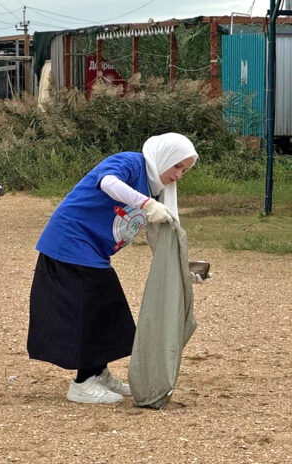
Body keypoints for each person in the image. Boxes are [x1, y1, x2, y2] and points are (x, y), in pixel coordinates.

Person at [27, 132, 200, 404]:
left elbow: (163, 239)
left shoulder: (157, 189)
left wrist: (182, 271)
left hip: (92, 253)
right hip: (69, 243)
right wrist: (146, 203)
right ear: (164, 157)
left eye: (184, 170)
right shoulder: (131, 163)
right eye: (176, 166)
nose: (178, 175)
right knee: (93, 311)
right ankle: (83, 383)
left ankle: (99, 374)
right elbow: (108, 182)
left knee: (107, 310)